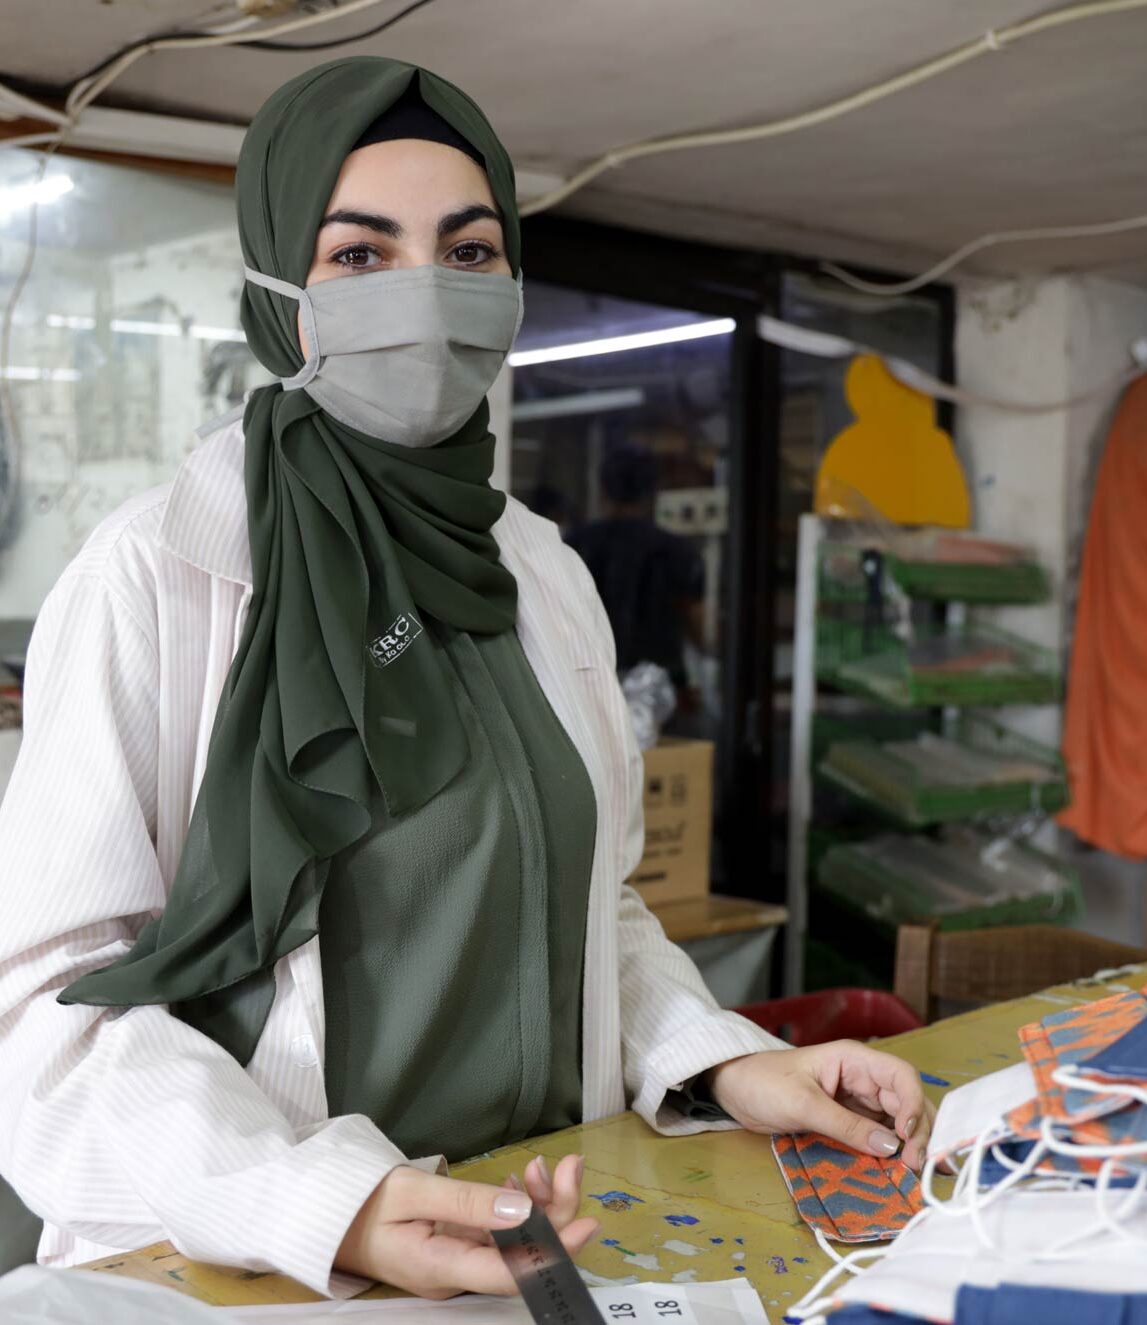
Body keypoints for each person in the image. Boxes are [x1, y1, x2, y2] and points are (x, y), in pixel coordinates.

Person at [0, 57, 933, 1301]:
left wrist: (725, 1059)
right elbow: (46, 1015)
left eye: (470, 249)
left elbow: (591, 907)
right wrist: (332, 1204)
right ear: (279, 287)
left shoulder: (536, 569)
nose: (428, 297)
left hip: (545, 1225)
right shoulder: (156, 576)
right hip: (265, 1265)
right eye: (360, 254)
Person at [569, 444, 703, 695]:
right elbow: (696, 622)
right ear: (652, 492)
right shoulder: (676, 550)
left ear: (602, 490)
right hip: (662, 688)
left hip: (588, 684)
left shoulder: (573, 546)